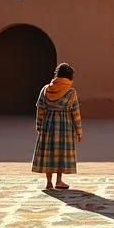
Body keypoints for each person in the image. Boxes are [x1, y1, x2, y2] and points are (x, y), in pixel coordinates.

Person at [32, 62, 82, 190]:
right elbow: (75, 112)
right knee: (61, 152)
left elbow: (40, 109)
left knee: (49, 153)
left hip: (48, 125)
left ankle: (49, 182)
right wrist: (78, 131)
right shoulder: (71, 92)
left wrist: (39, 126)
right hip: (64, 126)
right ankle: (59, 181)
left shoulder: (46, 89)